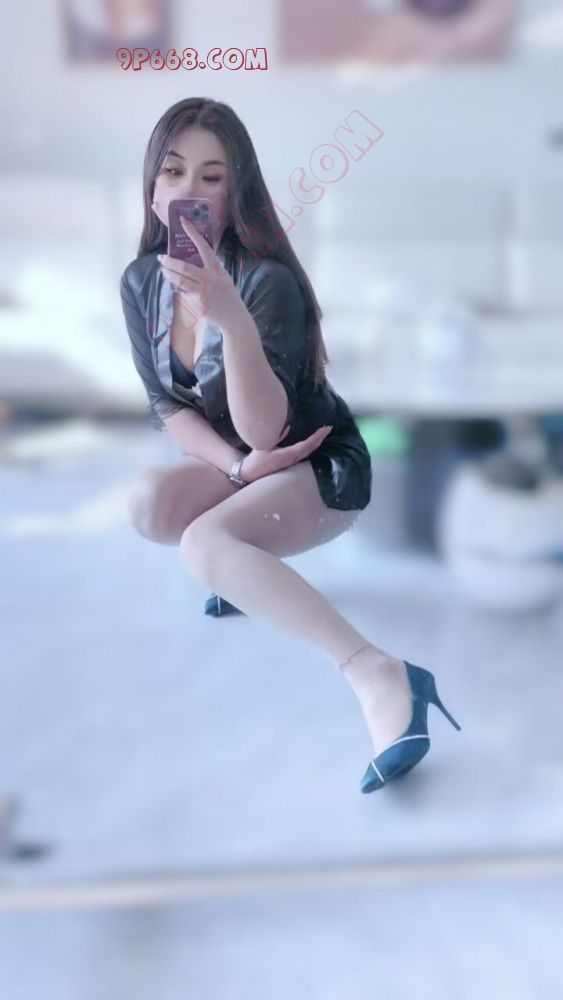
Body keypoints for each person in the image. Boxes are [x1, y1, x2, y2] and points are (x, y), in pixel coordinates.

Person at [120, 97, 461, 793]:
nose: (189, 191)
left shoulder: (264, 281)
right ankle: (245, 570)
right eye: (174, 171)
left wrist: (232, 321)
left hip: (316, 462)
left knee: (203, 545)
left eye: (212, 177)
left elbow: (266, 431)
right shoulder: (141, 281)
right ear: (152, 189)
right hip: (252, 467)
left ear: (235, 193)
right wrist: (238, 468)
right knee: (149, 505)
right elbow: (169, 407)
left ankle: (380, 673)